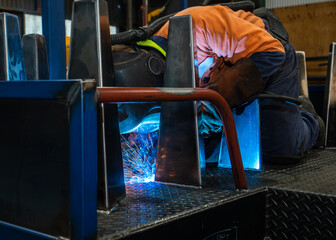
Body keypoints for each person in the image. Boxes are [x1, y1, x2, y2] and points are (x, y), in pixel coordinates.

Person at [115, 5, 324, 164]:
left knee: (279, 150)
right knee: (210, 155)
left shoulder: (199, 25)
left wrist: (214, 104)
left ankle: (308, 117)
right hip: (225, 80)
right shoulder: (144, 76)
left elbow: (270, 51)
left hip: (266, 53)